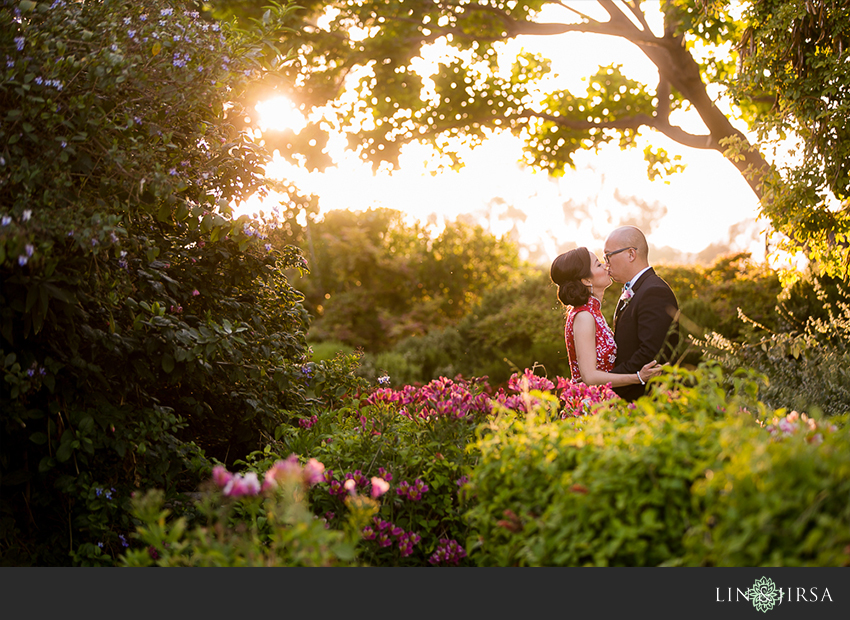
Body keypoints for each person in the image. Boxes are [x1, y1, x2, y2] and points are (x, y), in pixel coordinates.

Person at [550, 246, 662, 389]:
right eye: (598, 264)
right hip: (590, 405)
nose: (606, 266)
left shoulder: (593, 312)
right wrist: (638, 377)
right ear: (586, 280)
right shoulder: (584, 316)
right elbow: (589, 376)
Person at [603, 226, 679, 401]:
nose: (606, 262)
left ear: (631, 254)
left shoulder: (654, 291)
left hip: (644, 399)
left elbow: (649, 354)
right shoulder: (636, 289)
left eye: (609, 255)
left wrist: (607, 383)